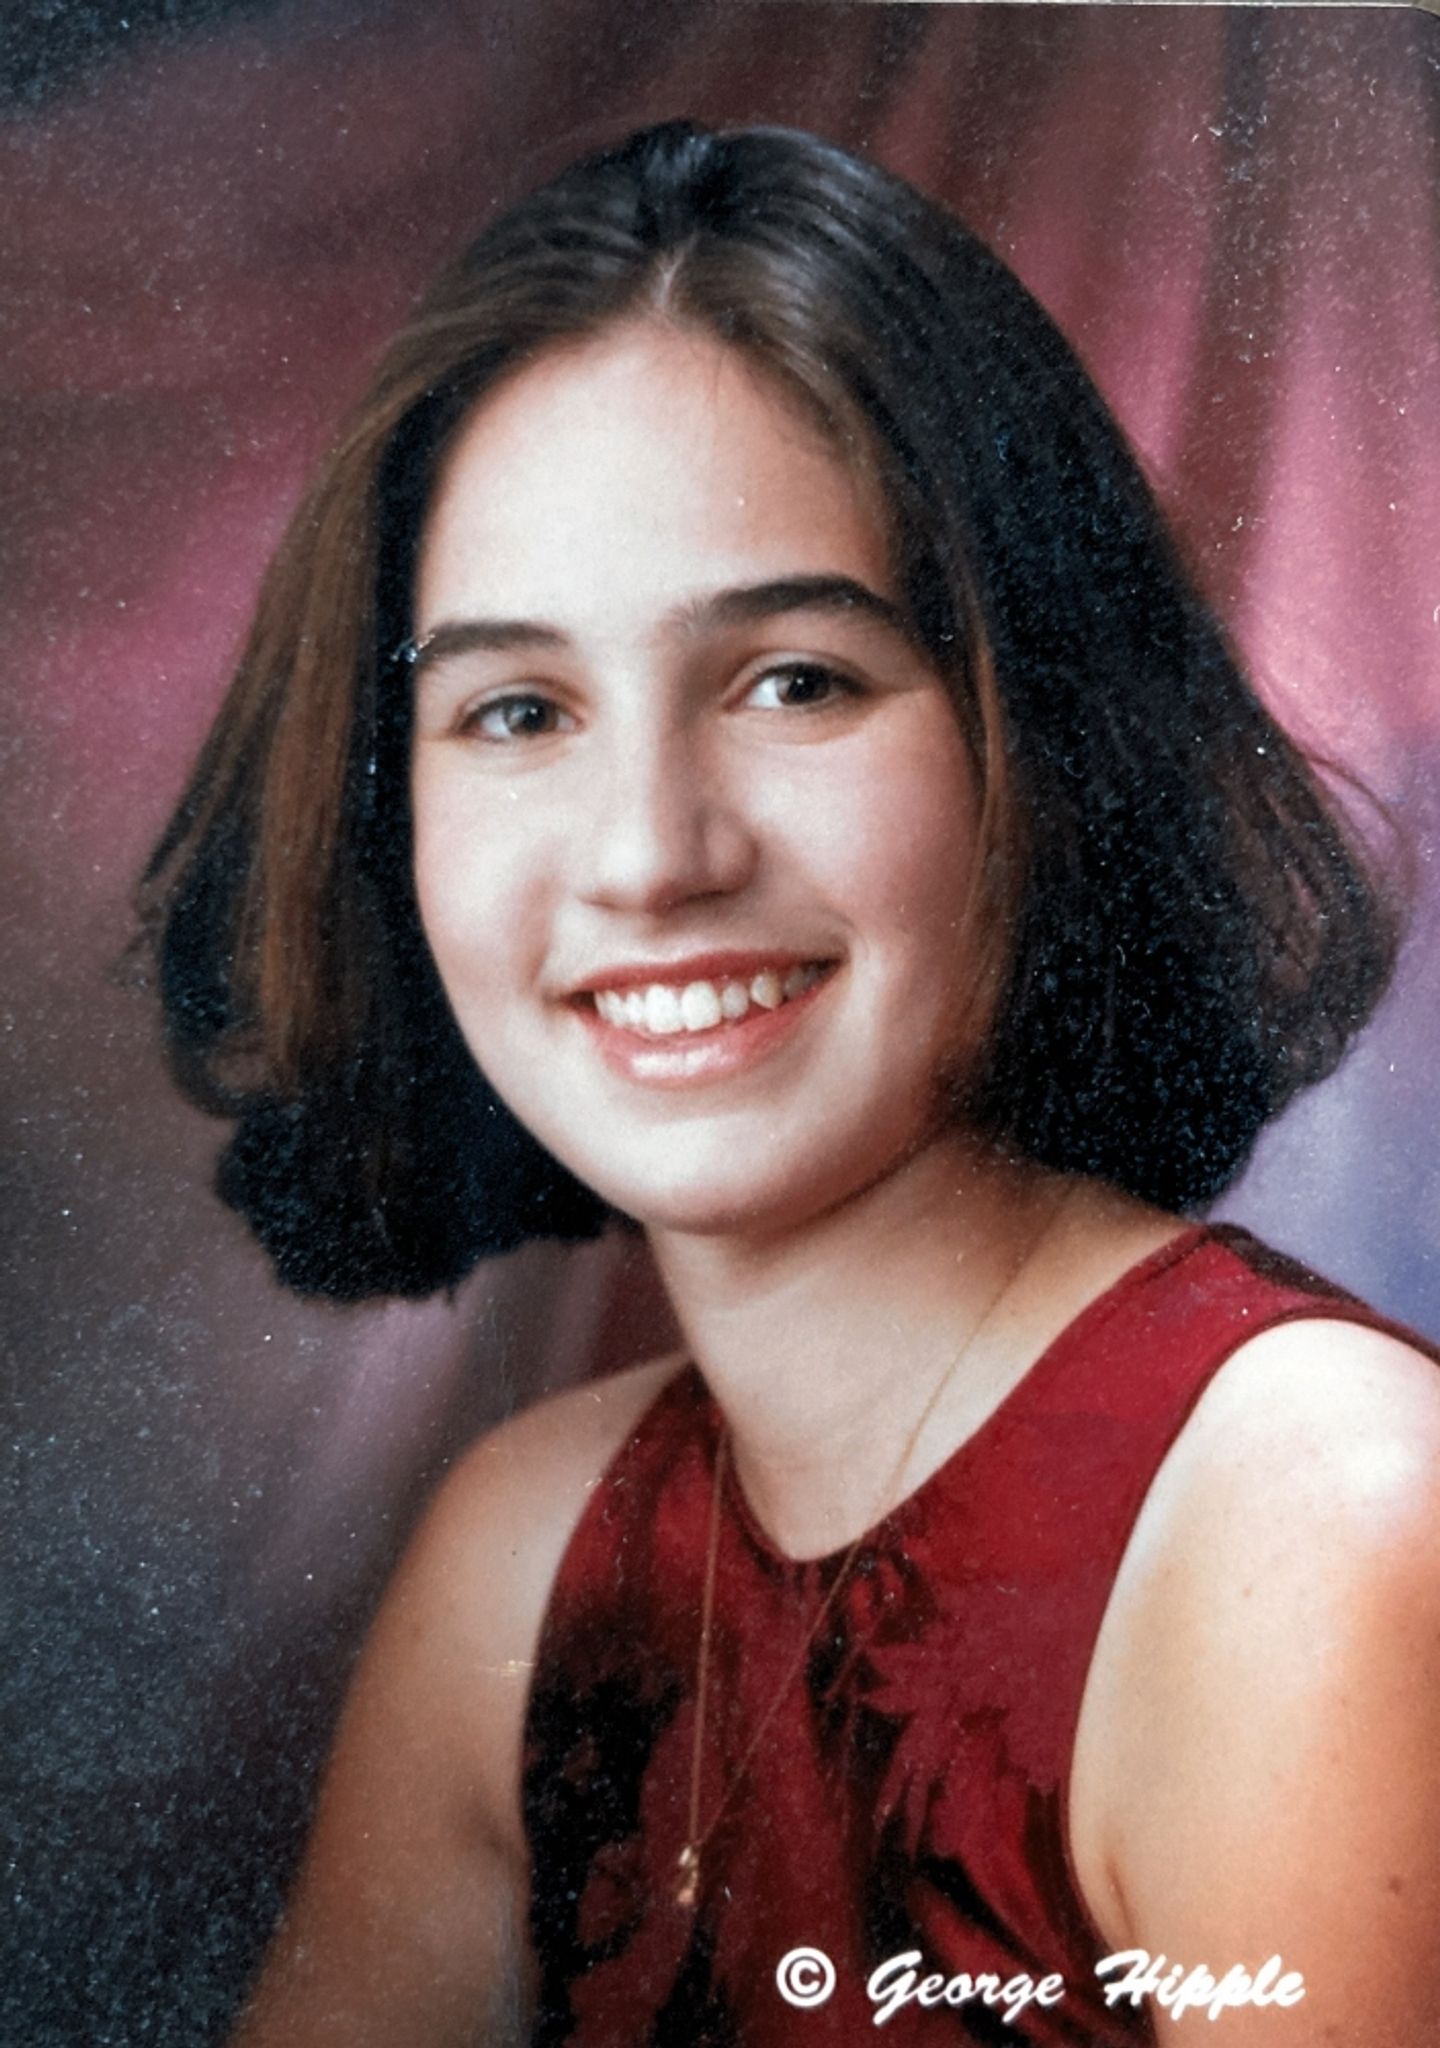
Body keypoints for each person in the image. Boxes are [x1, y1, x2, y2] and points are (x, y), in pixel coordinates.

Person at [139, 122, 1440, 2046]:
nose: (649, 856)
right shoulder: (524, 1562)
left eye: (796, 681)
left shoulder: (1328, 1528)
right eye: (518, 710)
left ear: (1043, 725)